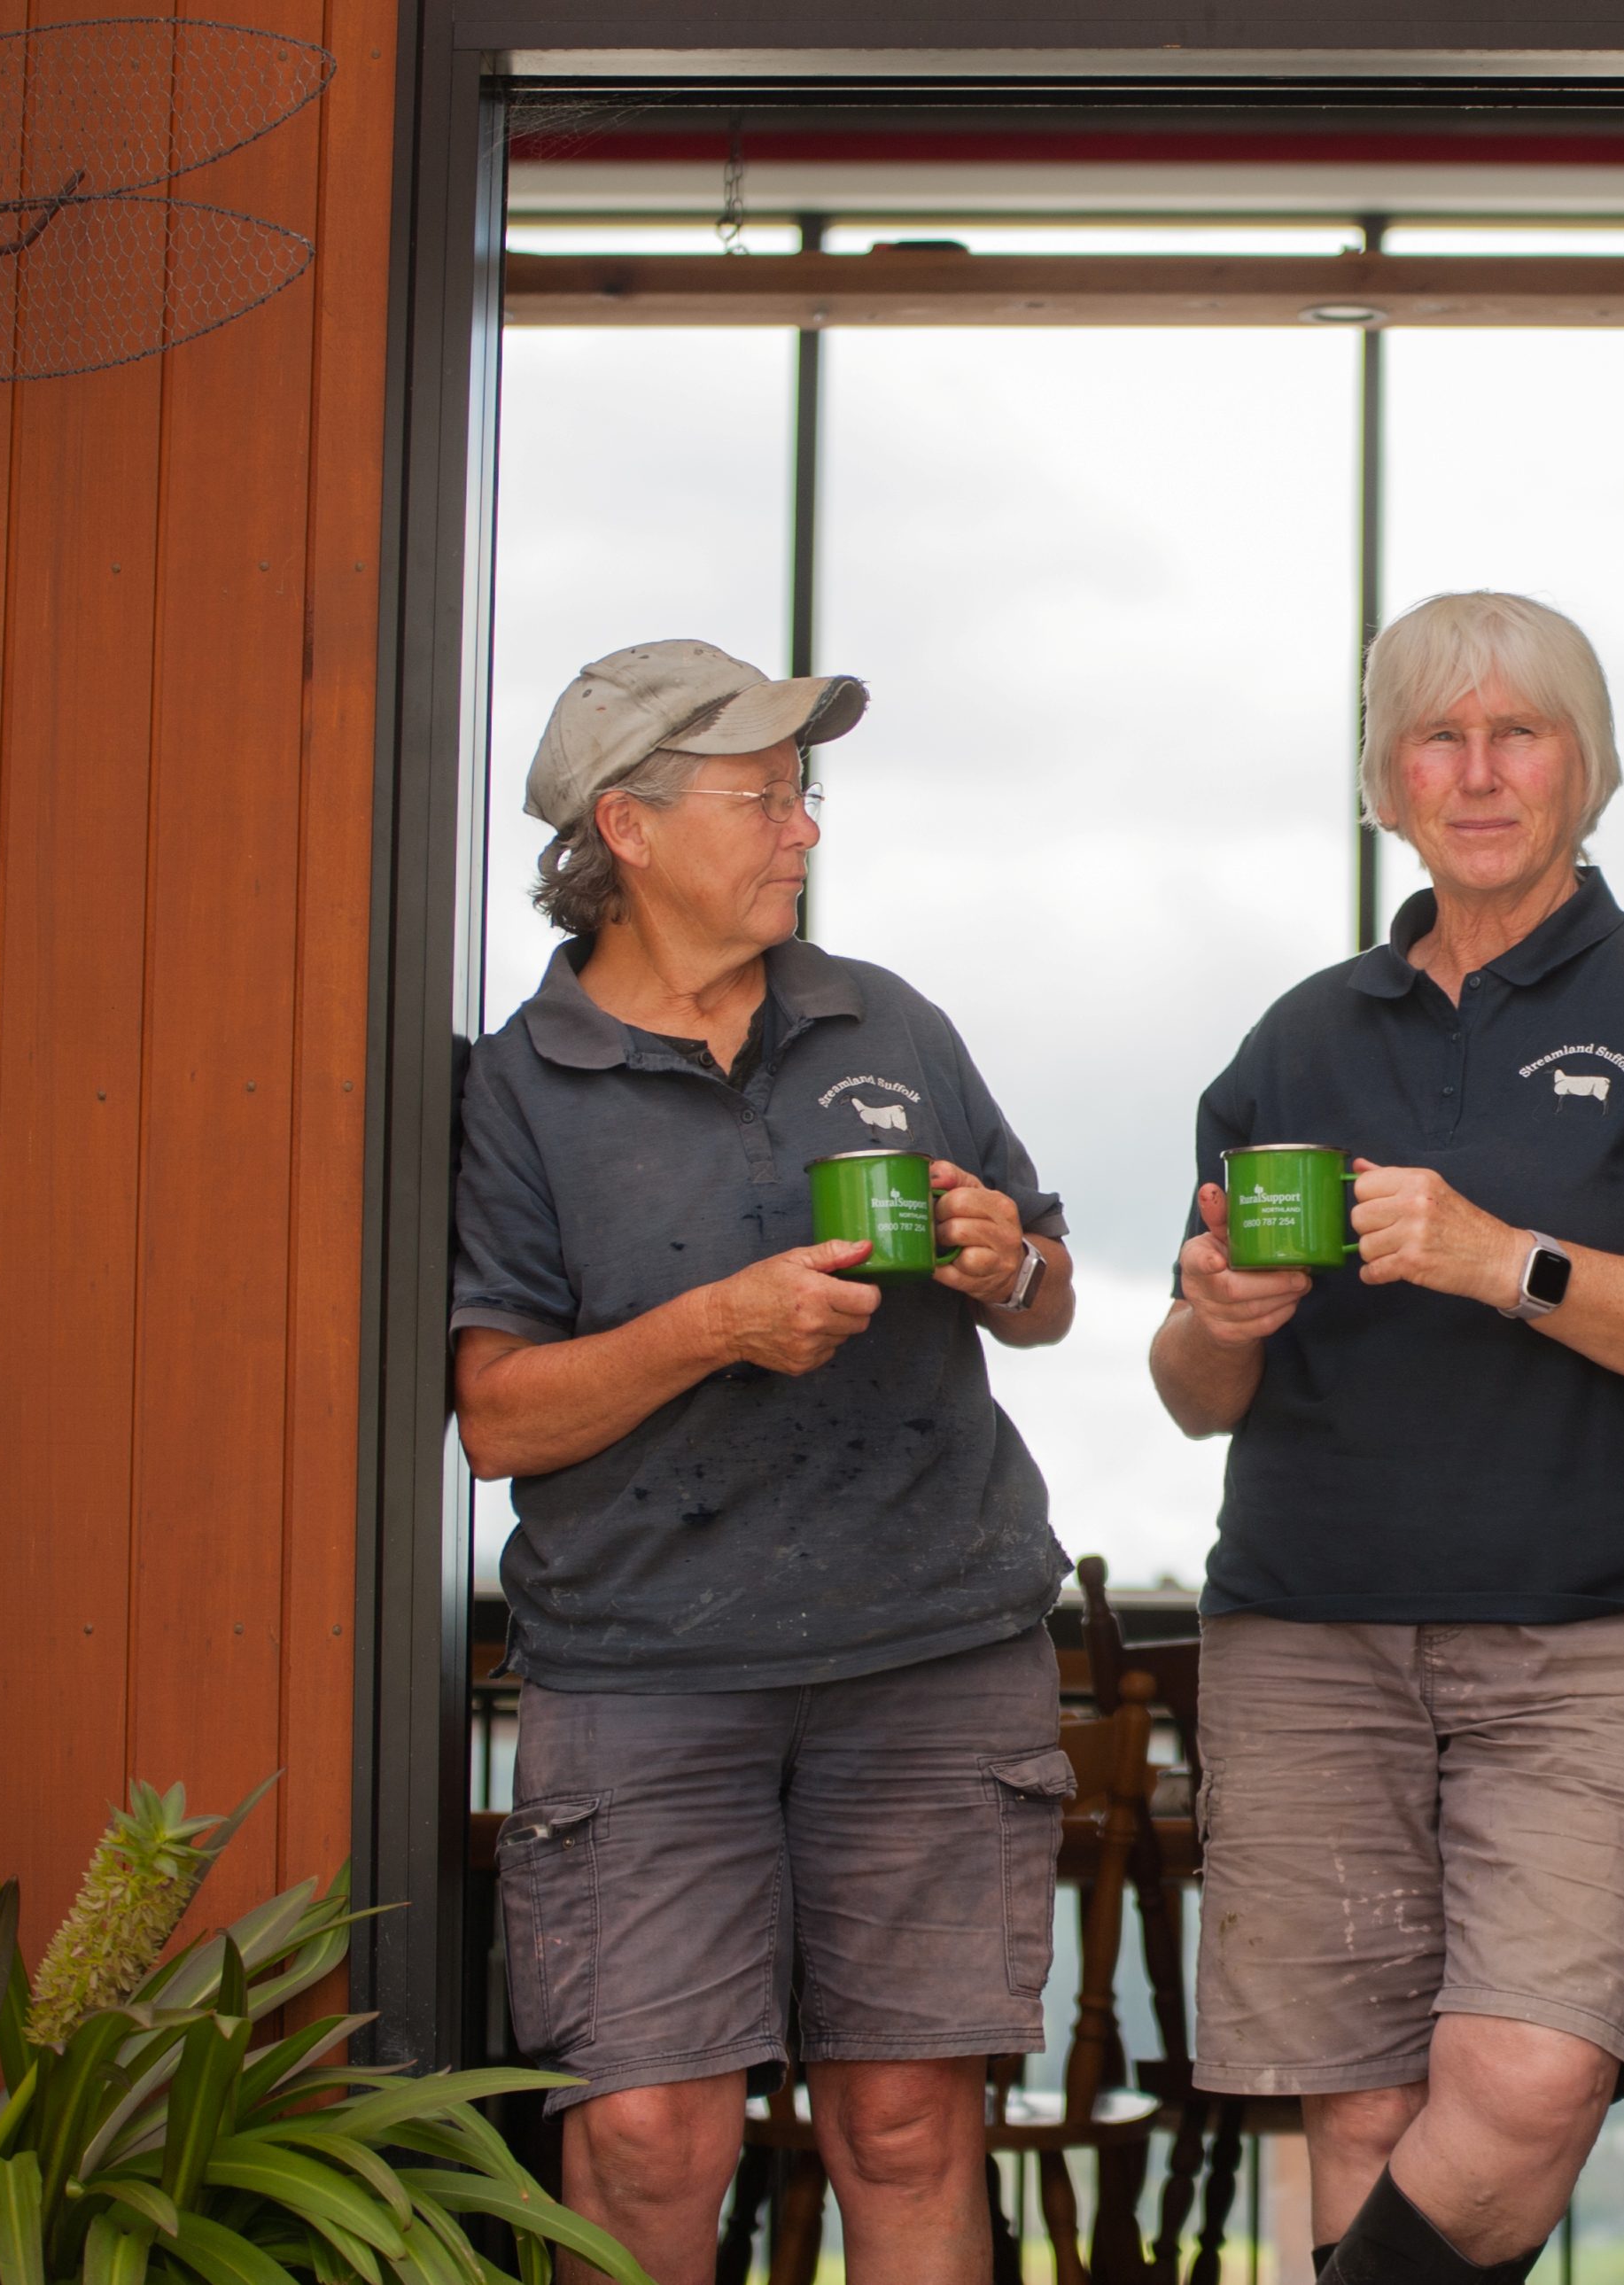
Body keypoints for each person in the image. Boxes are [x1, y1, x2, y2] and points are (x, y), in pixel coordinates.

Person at [1148, 592, 1624, 2285]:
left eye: (1518, 732)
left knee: (1522, 2081)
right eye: (1435, 738)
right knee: (1360, 2112)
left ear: (1586, 768)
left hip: (1605, 1633)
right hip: (1307, 1628)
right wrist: (1215, 1318)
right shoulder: (1299, 1037)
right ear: (1387, 784)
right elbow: (1192, 1391)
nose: (1477, 770)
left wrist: (1499, 1260)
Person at [453, 640, 1079, 2285]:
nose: (803, 829)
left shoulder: (891, 1019)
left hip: (935, 1652)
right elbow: (497, 1416)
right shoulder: (519, 1086)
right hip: (641, 1675)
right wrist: (715, 1326)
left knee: (908, 2128)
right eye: (764, 798)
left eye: (803, 795)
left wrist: (1007, 1260)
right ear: (629, 826)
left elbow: (1047, 1299)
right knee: (648, 2142)